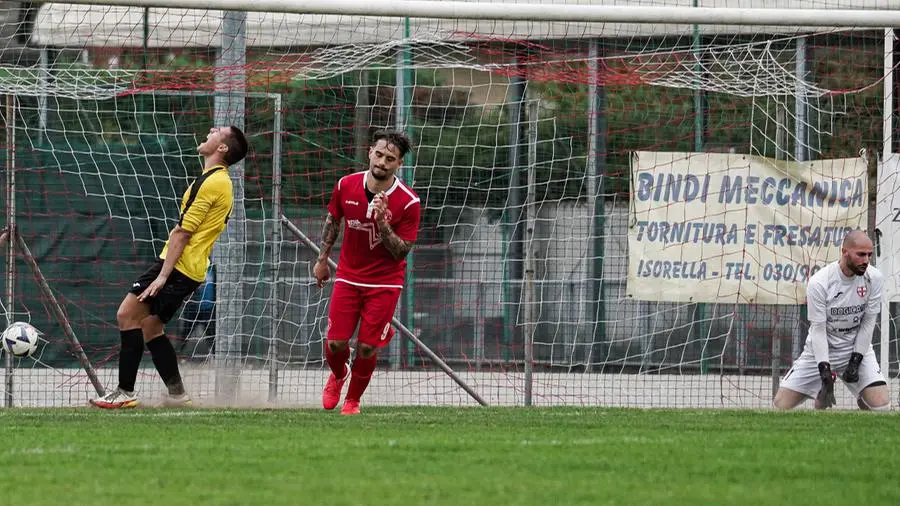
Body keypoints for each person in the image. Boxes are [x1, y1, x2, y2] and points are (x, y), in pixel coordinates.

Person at [90, 126, 248, 409]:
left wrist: (163, 275)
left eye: (219, 131)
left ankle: (124, 392)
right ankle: (177, 395)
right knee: (151, 327)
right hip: (189, 268)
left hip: (178, 267)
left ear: (222, 148)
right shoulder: (215, 180)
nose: (211, 130)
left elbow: (183, 233)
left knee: (126, 314)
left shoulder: (212, 183)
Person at [314, 129, 420, 415]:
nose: (383, 162)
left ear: (398, 165)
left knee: (367, 348)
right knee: (335, 344)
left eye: (391, 159)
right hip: (349, 276)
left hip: (385, 283)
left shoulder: (409, 202)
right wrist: (322, 259)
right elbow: (333, 222)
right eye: (380, 154)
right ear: (370, 152)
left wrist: (384, 223)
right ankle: (339, 374)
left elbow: (402, 251)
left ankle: (353, 400)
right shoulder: (345, 185)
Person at [773, 230, 890, 411]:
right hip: (820, 351)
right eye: (861, 254)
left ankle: (862, 397)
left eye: (869, 255)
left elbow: (868, 324)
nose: (866, 260)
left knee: (881, 407)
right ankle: (823, 390)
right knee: (780, 405)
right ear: (844, 252)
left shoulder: (874, 278)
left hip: (856, 348)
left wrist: (856, 360)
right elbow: (818, 330)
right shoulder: (820, 282)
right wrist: (824, 370)